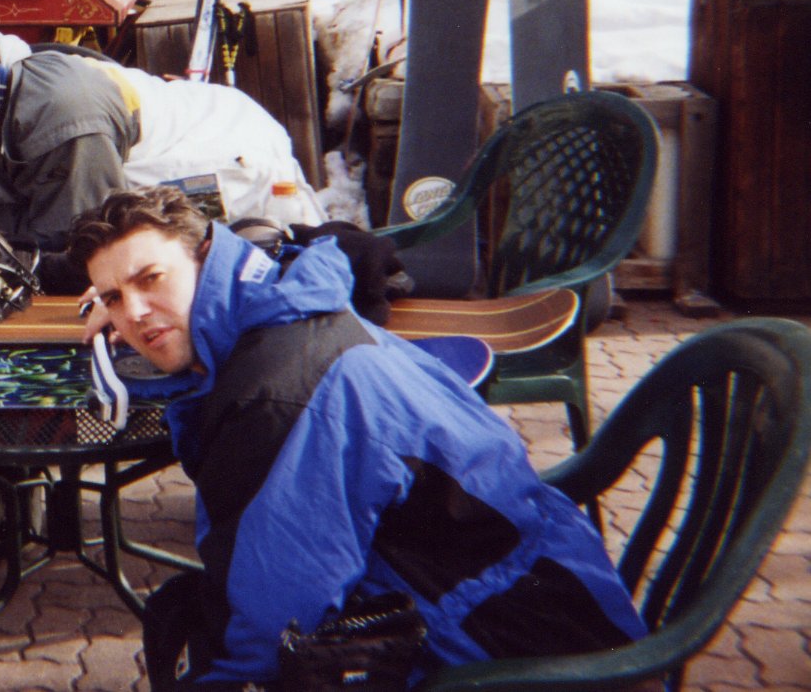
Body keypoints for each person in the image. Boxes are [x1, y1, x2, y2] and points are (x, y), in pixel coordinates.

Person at [66, 185, 646, 687]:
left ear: (205, 258)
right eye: (113, 298)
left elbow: (273, 628)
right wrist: (155, 323)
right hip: (539, 582)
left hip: (508, 644)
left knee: (207, 634)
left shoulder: (274, 397)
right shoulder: (292, 299)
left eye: (151, 279)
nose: (133, 312)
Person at [0, 14, 317, 293]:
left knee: (167, 268)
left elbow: (78, 249)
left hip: (231, 158)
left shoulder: (58, 118)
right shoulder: (0, 73)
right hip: (187, 120)